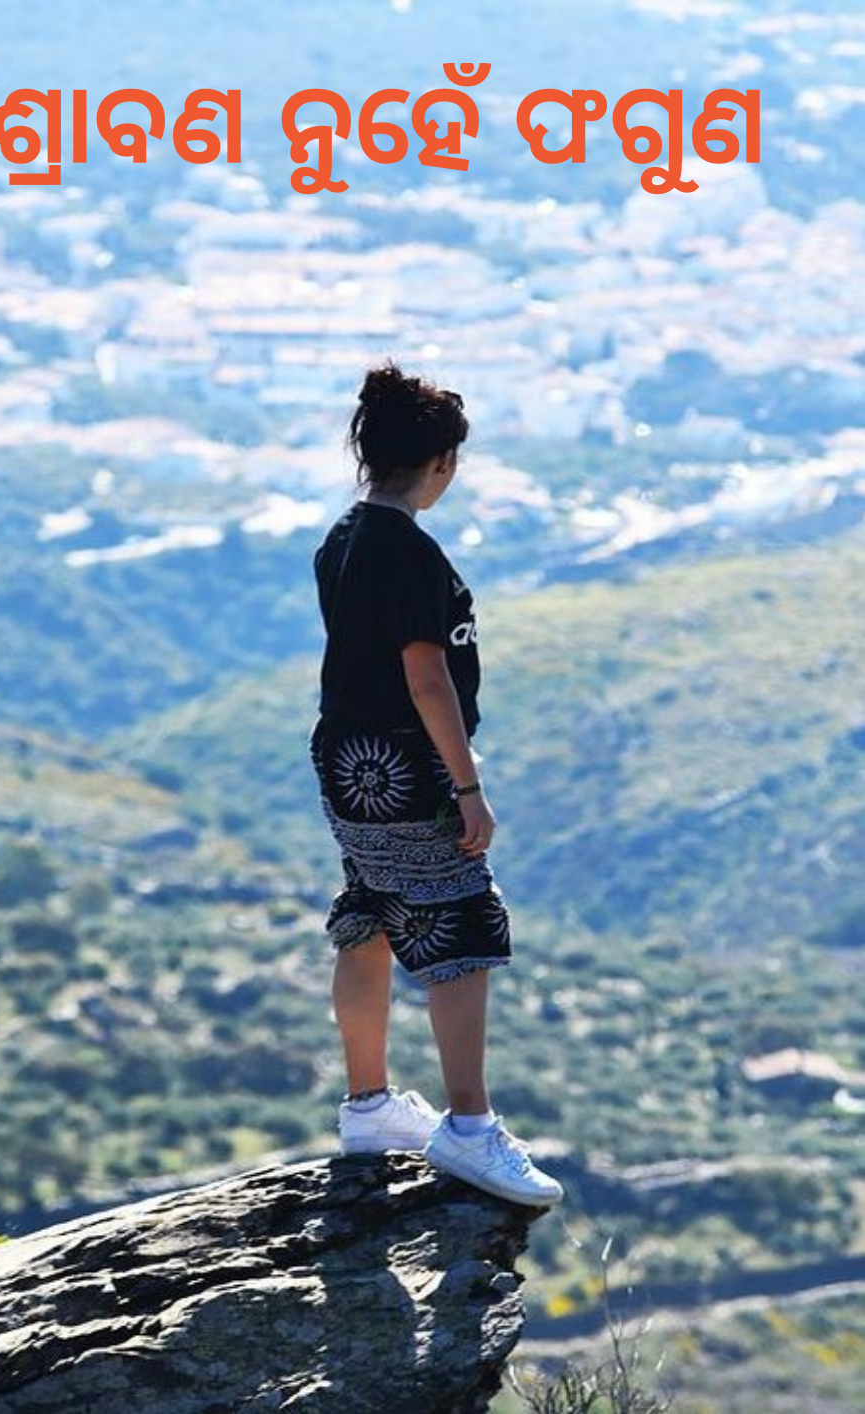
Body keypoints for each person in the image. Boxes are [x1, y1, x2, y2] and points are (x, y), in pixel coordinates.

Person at [308, 361, 563, 1207]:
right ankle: (470, 1127)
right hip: (405, 762)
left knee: (372, 911)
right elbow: (426, 677)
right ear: (442, 462)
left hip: (345, 758)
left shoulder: (342, 539)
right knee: (460, 921)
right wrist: (467, 786)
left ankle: (369, 1108)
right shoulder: (412, 554)